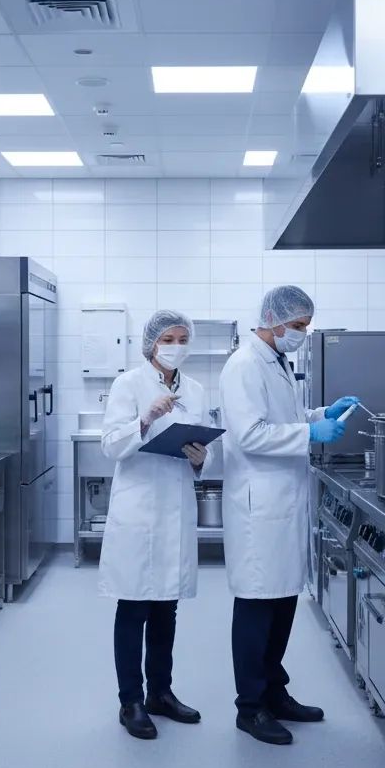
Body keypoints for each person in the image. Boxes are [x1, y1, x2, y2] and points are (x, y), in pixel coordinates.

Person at [219, 285, 358, 746]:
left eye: (304, 327)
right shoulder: (243, 366)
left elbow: (284, 416)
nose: (301, 334)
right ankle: (250, 708)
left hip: (282, 502)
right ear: (273, 319)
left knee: (281, 604)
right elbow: (251, 434)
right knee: (258, 606)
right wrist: (310, 433)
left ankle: (275, 694)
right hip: (260, 507)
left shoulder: (277, 361)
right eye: (297, 326)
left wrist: (318, 413)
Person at [99, 310, 218, 740]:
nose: (176, 345)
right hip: (138, 509)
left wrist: (203, 459)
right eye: (169, 338)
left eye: (183, 338)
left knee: (166, 605)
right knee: (133, 606)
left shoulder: (198, 390)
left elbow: (205, 443)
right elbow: (111, 445)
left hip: (175, 506)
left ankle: (161, 694)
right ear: (152, 343)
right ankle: (130, 700)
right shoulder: (127, 384)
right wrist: (145, 419)